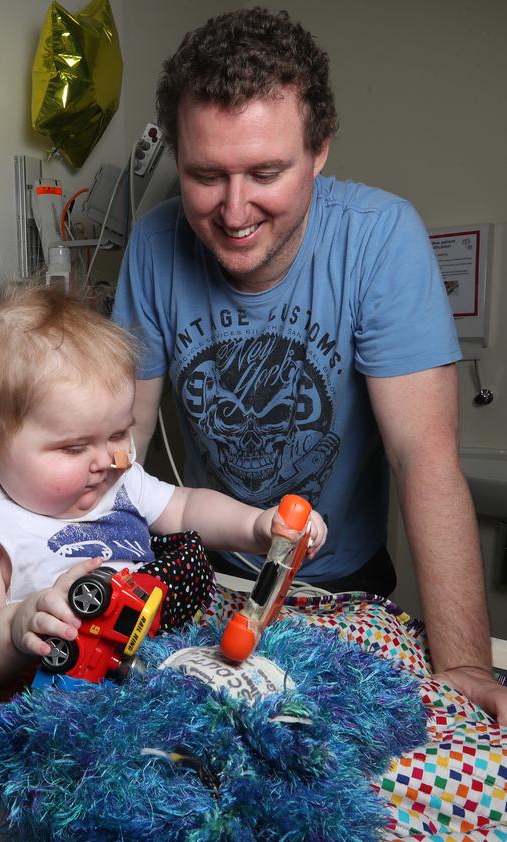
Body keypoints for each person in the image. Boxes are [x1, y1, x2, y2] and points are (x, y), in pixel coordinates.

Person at [111, 7, 507, 722]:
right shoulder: (151, 243)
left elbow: (425, 457)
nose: (234, 211)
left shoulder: (381, 236)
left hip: (341, 583)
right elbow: (119, 447)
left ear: (319, 149)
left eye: (265, 172)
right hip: (206, 572)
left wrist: (466, 664)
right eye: (206, 175)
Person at [0, 280, 326, 695]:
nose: (108, 460)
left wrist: (257, 526)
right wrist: (13, 626)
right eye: (74, 447)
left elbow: (186, 509)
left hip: (148, 670)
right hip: (56, 704)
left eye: (118, 434)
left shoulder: (119, 481)